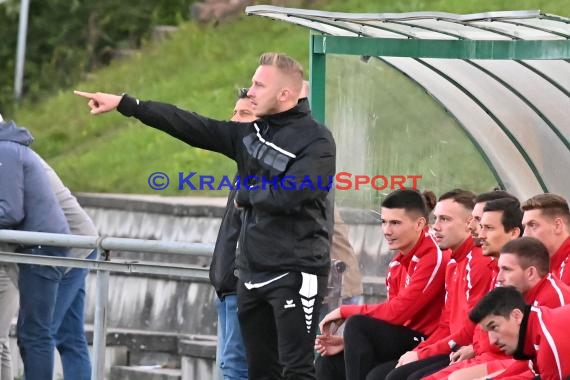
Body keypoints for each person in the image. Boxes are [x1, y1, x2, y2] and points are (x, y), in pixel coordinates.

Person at [75, 52, 336, 380]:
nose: (250, 91)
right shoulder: (249, 133)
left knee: (297, 371)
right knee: (260, 373)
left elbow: (298, 192)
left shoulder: (317, 138)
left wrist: (247, 195)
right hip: (251, 275)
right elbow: (189, 124)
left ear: (284, 94)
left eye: (258, 84)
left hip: (296, 274)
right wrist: (126, 104)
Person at [316, 189, 448, 380]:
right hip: (404, 337)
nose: (387, 230)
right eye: (384, 222)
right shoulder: (396, 263)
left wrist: (345, 311)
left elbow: (397, 312)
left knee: (358, 325)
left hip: (426, 341)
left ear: (419, 224)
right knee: (328, 362)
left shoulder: (433, 257)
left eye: (395, 223)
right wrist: (349, 342)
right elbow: (389, 317)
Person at [0, 118, 92, 380]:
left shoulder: (6, 151)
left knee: (37, 334)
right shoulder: (12, 147)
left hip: (65, 246)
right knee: (64, 337)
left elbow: (10, 210)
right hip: (57, 243)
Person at [378, 189, 494, 380]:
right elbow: (446, 325)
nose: (435, 227)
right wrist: (420, 351)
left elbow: (471, 329)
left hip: (467, 349)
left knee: (360, 329)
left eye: (445, 219)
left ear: (468, 224)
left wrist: (421, 353)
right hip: (450, 345)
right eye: (436, 218)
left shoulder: (476, 261)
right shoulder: (452, 264)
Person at [422, 198, 524, 380]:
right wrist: (422, 351)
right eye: (478, 223)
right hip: (479, 353)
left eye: (487, 227)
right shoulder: (492, 268)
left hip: (499, 360)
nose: (476, 230)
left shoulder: (516, 273)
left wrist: (423, 353)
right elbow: (453, 324)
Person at [209, 88, 256, 380]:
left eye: (244, 114)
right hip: (228, 286)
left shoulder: (267, 170)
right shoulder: (244, 165)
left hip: (242, 287)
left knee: (234, 368)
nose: (233, 120)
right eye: (234, 112)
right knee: (229, 366)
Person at [469, 286, 570, 380]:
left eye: (494, 327)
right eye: (487, 332)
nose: (492, 341)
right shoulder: (535, 326)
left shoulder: (548, 341)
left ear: (516, 316)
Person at [522, 193, 570, 285]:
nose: (525, 235)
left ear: (557, 225)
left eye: (533, 225)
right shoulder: (549, 268)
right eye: (524, 227)